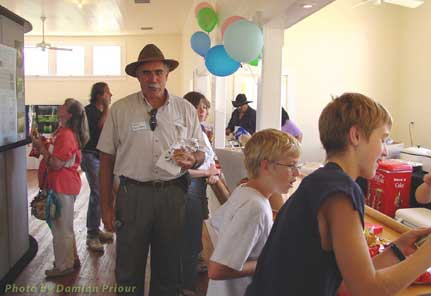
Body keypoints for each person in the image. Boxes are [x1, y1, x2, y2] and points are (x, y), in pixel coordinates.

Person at [245, 93, 431, 296]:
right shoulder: (341, 193)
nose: (385, 151)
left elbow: (347, 282)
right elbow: (367, 290)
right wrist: (426, 256)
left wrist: (398, 250)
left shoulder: (320, 181)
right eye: (383, 139)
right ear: (356, 135)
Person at [97, 44, 205, 296]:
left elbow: (201, 152)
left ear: (167, 74)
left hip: (173, 195)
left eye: (158, 71)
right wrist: (106, 207)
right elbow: (105, 160)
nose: (152, 78)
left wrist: (194, 159)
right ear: (138, 76)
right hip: (132, 195)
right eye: (146, 72)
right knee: (127, 268)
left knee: (169, 268)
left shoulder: (185, 110)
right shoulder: (121, 110)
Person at [207, 129, 302, 296]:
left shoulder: (246, 190)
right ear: (266, 166)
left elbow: (219, 223)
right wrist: (271, 261)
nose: (297, 173)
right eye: (291, 165)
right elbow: (217, 270)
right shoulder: (255, 207)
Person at [32, 98, 89, 278]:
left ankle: (64, 266)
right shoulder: (65, 132)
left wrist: (42, 148)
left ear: (69, 114)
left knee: (61, 227)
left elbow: (56, 163)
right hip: (64, 184)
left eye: (64, 105)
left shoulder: (66, 135)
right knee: (64, 225)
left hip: (62, 184)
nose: (60, 107)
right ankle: (70, 259)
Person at [182, 91, 220, 294]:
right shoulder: (184, 133)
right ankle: (185, 285)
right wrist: (207, 172)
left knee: (195, 234)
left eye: (205, 107)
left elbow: (209, 157)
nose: (204, 111)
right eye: (199, 107)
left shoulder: (201, 131)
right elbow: (182, 170)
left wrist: (211, 170)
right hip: (190, 187)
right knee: (189, 237)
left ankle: (189, 277)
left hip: (199, 186)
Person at [81, 82, 114, 252]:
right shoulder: (89, 111)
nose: (110, 95)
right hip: (90, 155)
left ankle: (96, 229)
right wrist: (108, 108)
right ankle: (91, 235)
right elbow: (101, 126)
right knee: (97, 193)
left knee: (104, 191)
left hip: (101, 156)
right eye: (108, 93)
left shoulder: (103, 112)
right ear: (100, 95)